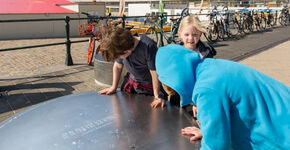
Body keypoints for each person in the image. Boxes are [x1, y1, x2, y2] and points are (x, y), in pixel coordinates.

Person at [155, 44, 290, 150]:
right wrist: (209, 131)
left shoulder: (206, 89)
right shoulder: (211, 67)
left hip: (280, 137)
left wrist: (213, 137)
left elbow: (217, 146)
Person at [98, 27, 166, 108]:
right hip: (132, 84)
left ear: (127, 51)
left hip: (150, 88)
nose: (119, 59)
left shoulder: (148, 46)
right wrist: (114, 87)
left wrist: (157, 95)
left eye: (119, 57)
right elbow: (118, 66)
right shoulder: (120, 45)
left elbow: (155, 73)